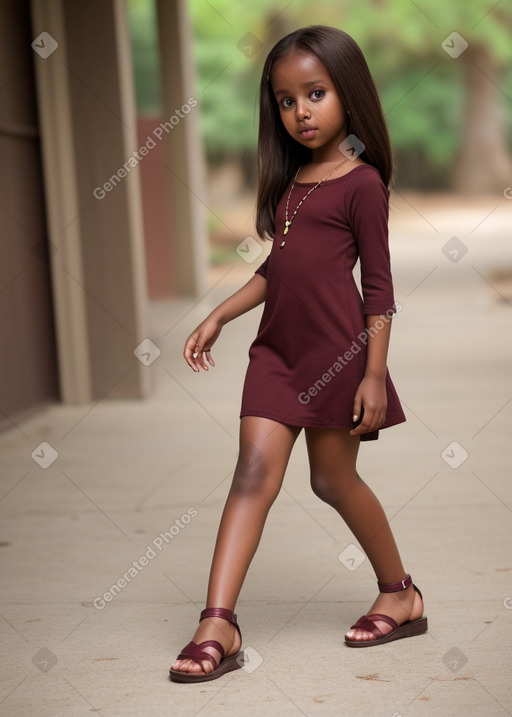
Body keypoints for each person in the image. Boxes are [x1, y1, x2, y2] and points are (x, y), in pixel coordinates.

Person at [169, 24, 427, 684]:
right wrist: (220, 314)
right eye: (285, 100)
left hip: (338, 356)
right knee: (253, 471)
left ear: (350, 94)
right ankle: (217, 622)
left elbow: (378, 288)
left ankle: (399, 591)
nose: (300, 112)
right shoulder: (291, 184)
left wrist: (372, 371)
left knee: (332, 480)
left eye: (315, 93)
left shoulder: (363, 183)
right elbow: (275, 271)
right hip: (276, 354)